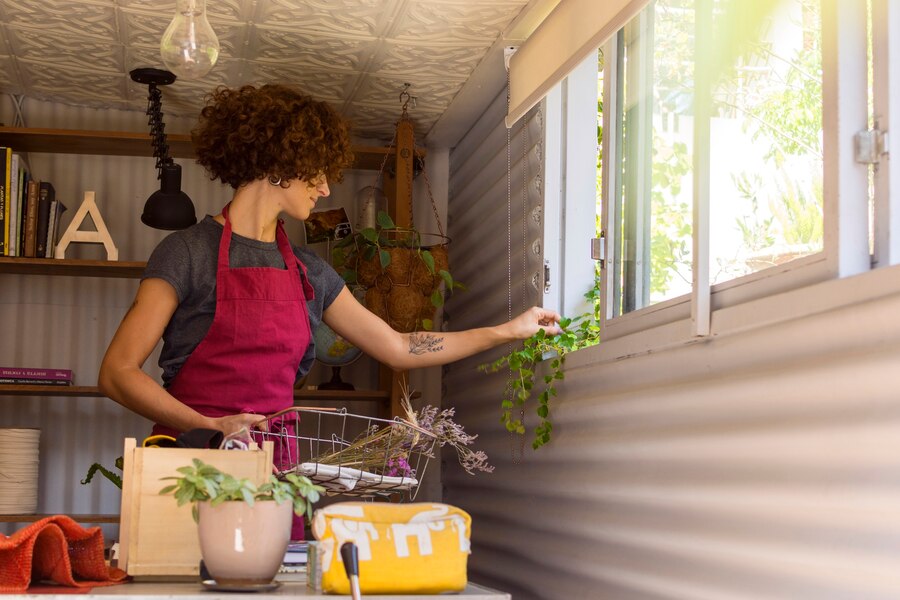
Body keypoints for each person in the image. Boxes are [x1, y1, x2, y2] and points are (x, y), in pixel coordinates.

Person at [98, 82, 561, 450]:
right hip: (191, 455)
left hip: (273, 467)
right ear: (280, 163)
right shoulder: (187, 252)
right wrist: (211, 426)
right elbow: (118, 372)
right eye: (317, 173)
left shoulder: (309, 272)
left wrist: (507, 331)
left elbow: (400, 346)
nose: (324, 190)